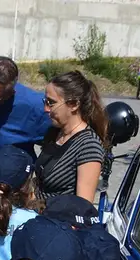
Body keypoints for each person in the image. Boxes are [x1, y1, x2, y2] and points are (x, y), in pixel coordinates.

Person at [36, 71, 108, 202]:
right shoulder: (54, 133)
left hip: (59, 220)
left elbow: (83, 208)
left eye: (51, 103)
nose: (46, 108)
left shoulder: (88, 146)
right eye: (45, 101)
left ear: (74, 104)